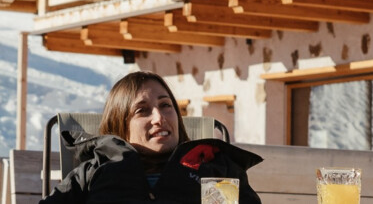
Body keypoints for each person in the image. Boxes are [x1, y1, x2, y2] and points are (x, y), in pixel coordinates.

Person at [42, 70, 264, 204]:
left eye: (166, 105)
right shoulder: (95, 172)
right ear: (121, 125)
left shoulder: (213, 168)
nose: (159, 117)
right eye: (142, 110)